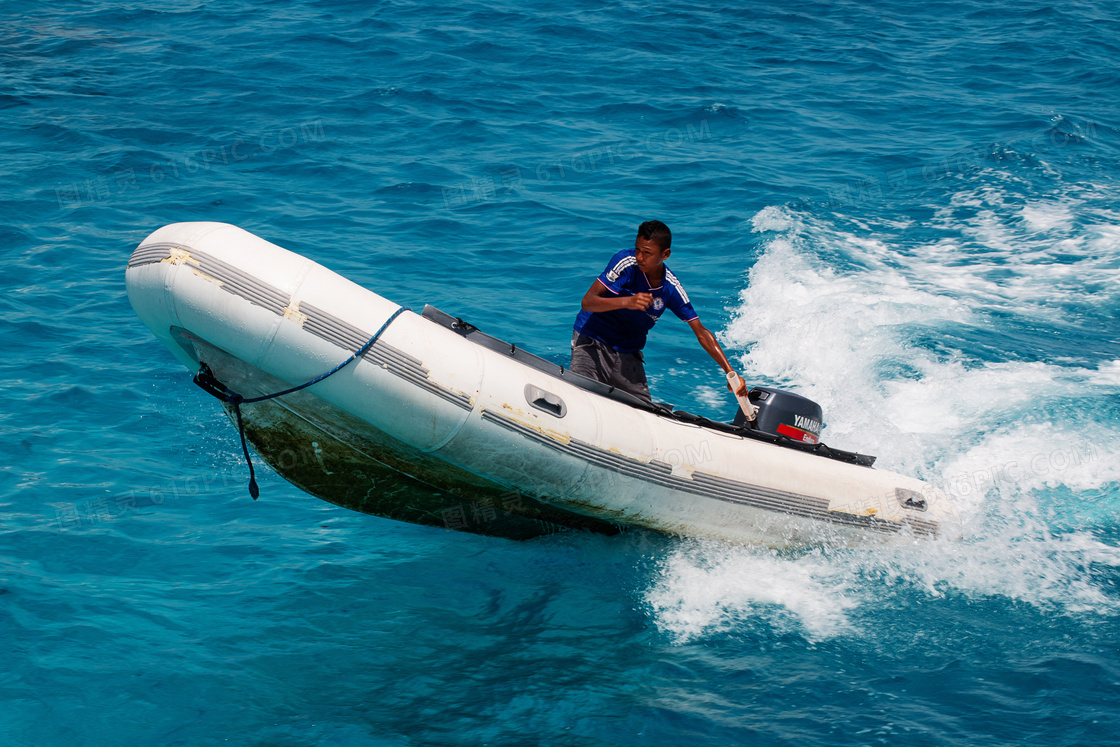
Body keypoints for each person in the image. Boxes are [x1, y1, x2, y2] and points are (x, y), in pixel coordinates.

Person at [570, 220, 750, 405]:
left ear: (666, 254)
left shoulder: (671, 288)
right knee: (583, 397)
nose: (639, 257)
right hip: (593, 340)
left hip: (628, 352)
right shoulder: (625, 263)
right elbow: (588, 302)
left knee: (643, 411)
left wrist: (730, 372)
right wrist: (628, 301)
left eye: (647, 252)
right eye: (637, 249)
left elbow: (701, 331)